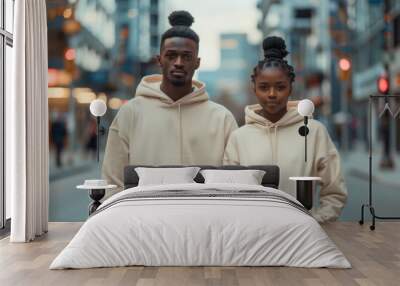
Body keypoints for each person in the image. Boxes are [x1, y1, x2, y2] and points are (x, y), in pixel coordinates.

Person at [102, 11, 238, 194]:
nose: (179, 62)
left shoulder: (222, 119)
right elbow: (113, 181)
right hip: (144, 219)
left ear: (197, 62)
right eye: (171, 55)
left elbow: (232, 182)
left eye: (187, 57)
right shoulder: (130, 113)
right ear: (159, 60)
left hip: (204, 218)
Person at [223, 36, 347, 223]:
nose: (272, 94)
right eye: (264, 87)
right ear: (254, 88)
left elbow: (335, 191)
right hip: (252, 237)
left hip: (301, 239)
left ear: (290, 88)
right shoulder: (238, 138)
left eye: (280, 87)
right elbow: (228, 193)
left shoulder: (314, 132)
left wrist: (317, 220)